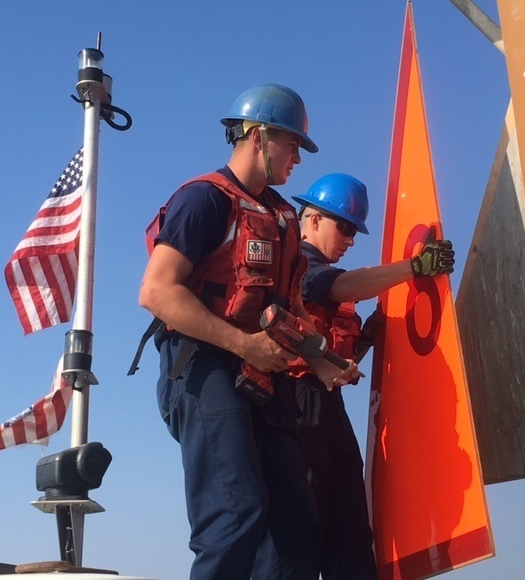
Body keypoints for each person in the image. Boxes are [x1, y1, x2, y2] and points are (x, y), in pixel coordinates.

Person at [137, 85, 359, 580]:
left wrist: (321, 360)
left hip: (259, 377)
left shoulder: (282, 219)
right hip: (202, 369)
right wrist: (243, 345)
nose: (298, 157)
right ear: (259, 137)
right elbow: (156, 292)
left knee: (295, 526)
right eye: (292, 143)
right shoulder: (203, 201)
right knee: (235, 513)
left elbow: (291, 307)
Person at [288, 173, 455, 579]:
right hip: (296, 407)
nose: (349, 239)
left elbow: (332, 345)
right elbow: (344, 287)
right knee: (303, 531)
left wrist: (363, 340)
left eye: (354, 232)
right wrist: (413, 267)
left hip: (328, 406)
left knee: (350, 531)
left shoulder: (322, 273)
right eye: (343, 227)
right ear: (311, 220)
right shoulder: (300, 266)